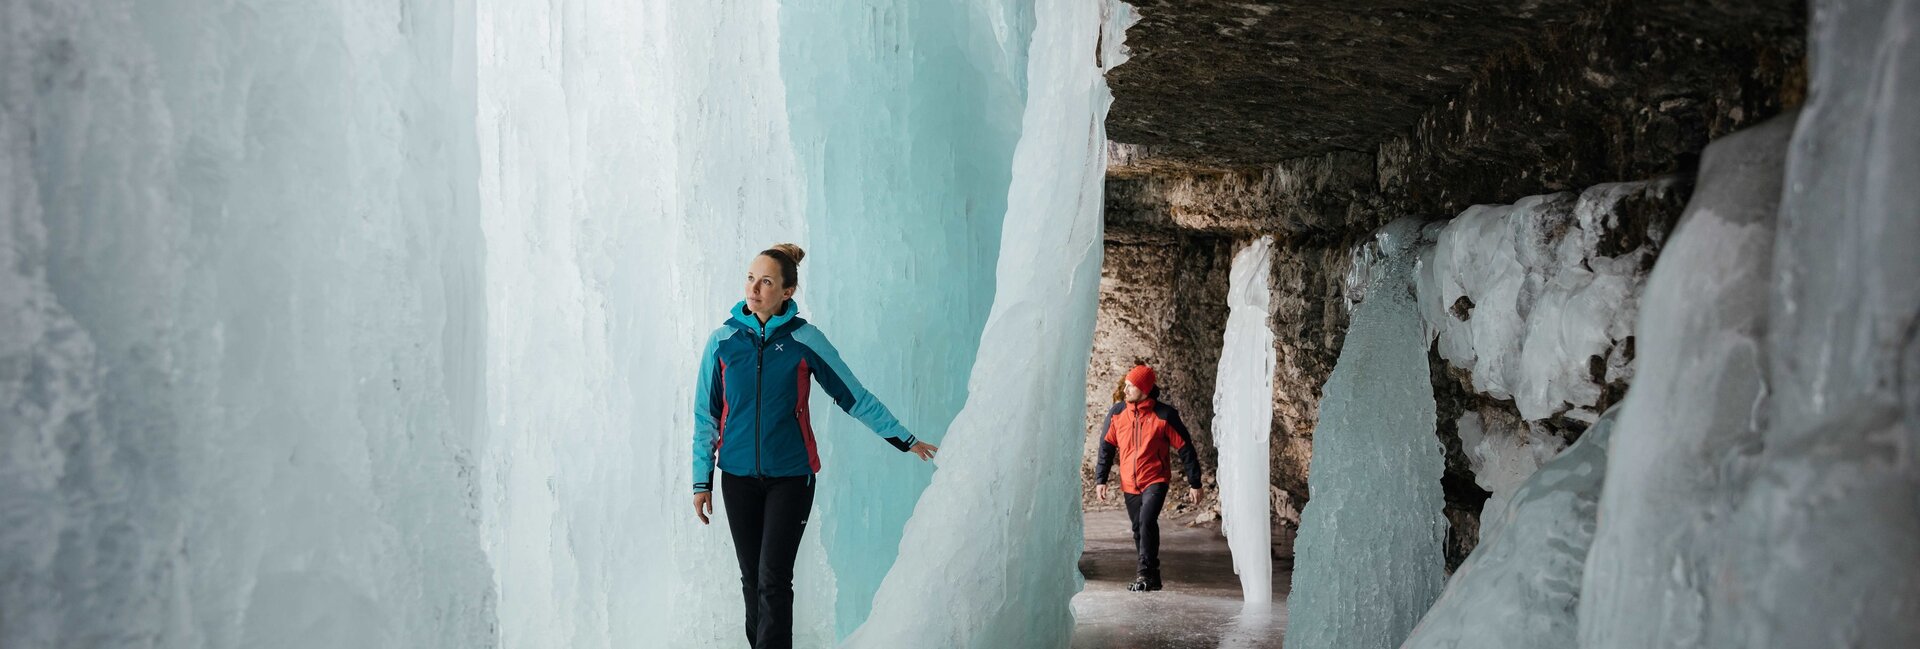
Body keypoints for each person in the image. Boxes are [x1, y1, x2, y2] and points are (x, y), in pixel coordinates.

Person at [690, 243, 938, 649]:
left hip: (791, 477)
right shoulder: (723, 341)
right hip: (736, 477)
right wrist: (702, 481)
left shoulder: (805, 341)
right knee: (751, 580)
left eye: (766, 281)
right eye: (751, 278)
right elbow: (706, 416)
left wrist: (903, 438)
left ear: (787, 292)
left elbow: (853, 395)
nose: (754, 288)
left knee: (773, 579)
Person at [1093, 364, 1203, 592]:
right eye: (1126, 385)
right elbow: (1106, 447)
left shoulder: (1164, 415)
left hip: (1155, 478)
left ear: (1143, 388)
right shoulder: (1117, 413)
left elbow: (1185, 448)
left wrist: (1195, 482)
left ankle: (1143, 574)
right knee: (1138, 528)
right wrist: (1100, 479)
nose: (1126, 390)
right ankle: (1152, 577)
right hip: (1129, 482)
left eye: (1131, 386)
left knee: (1146, 521)